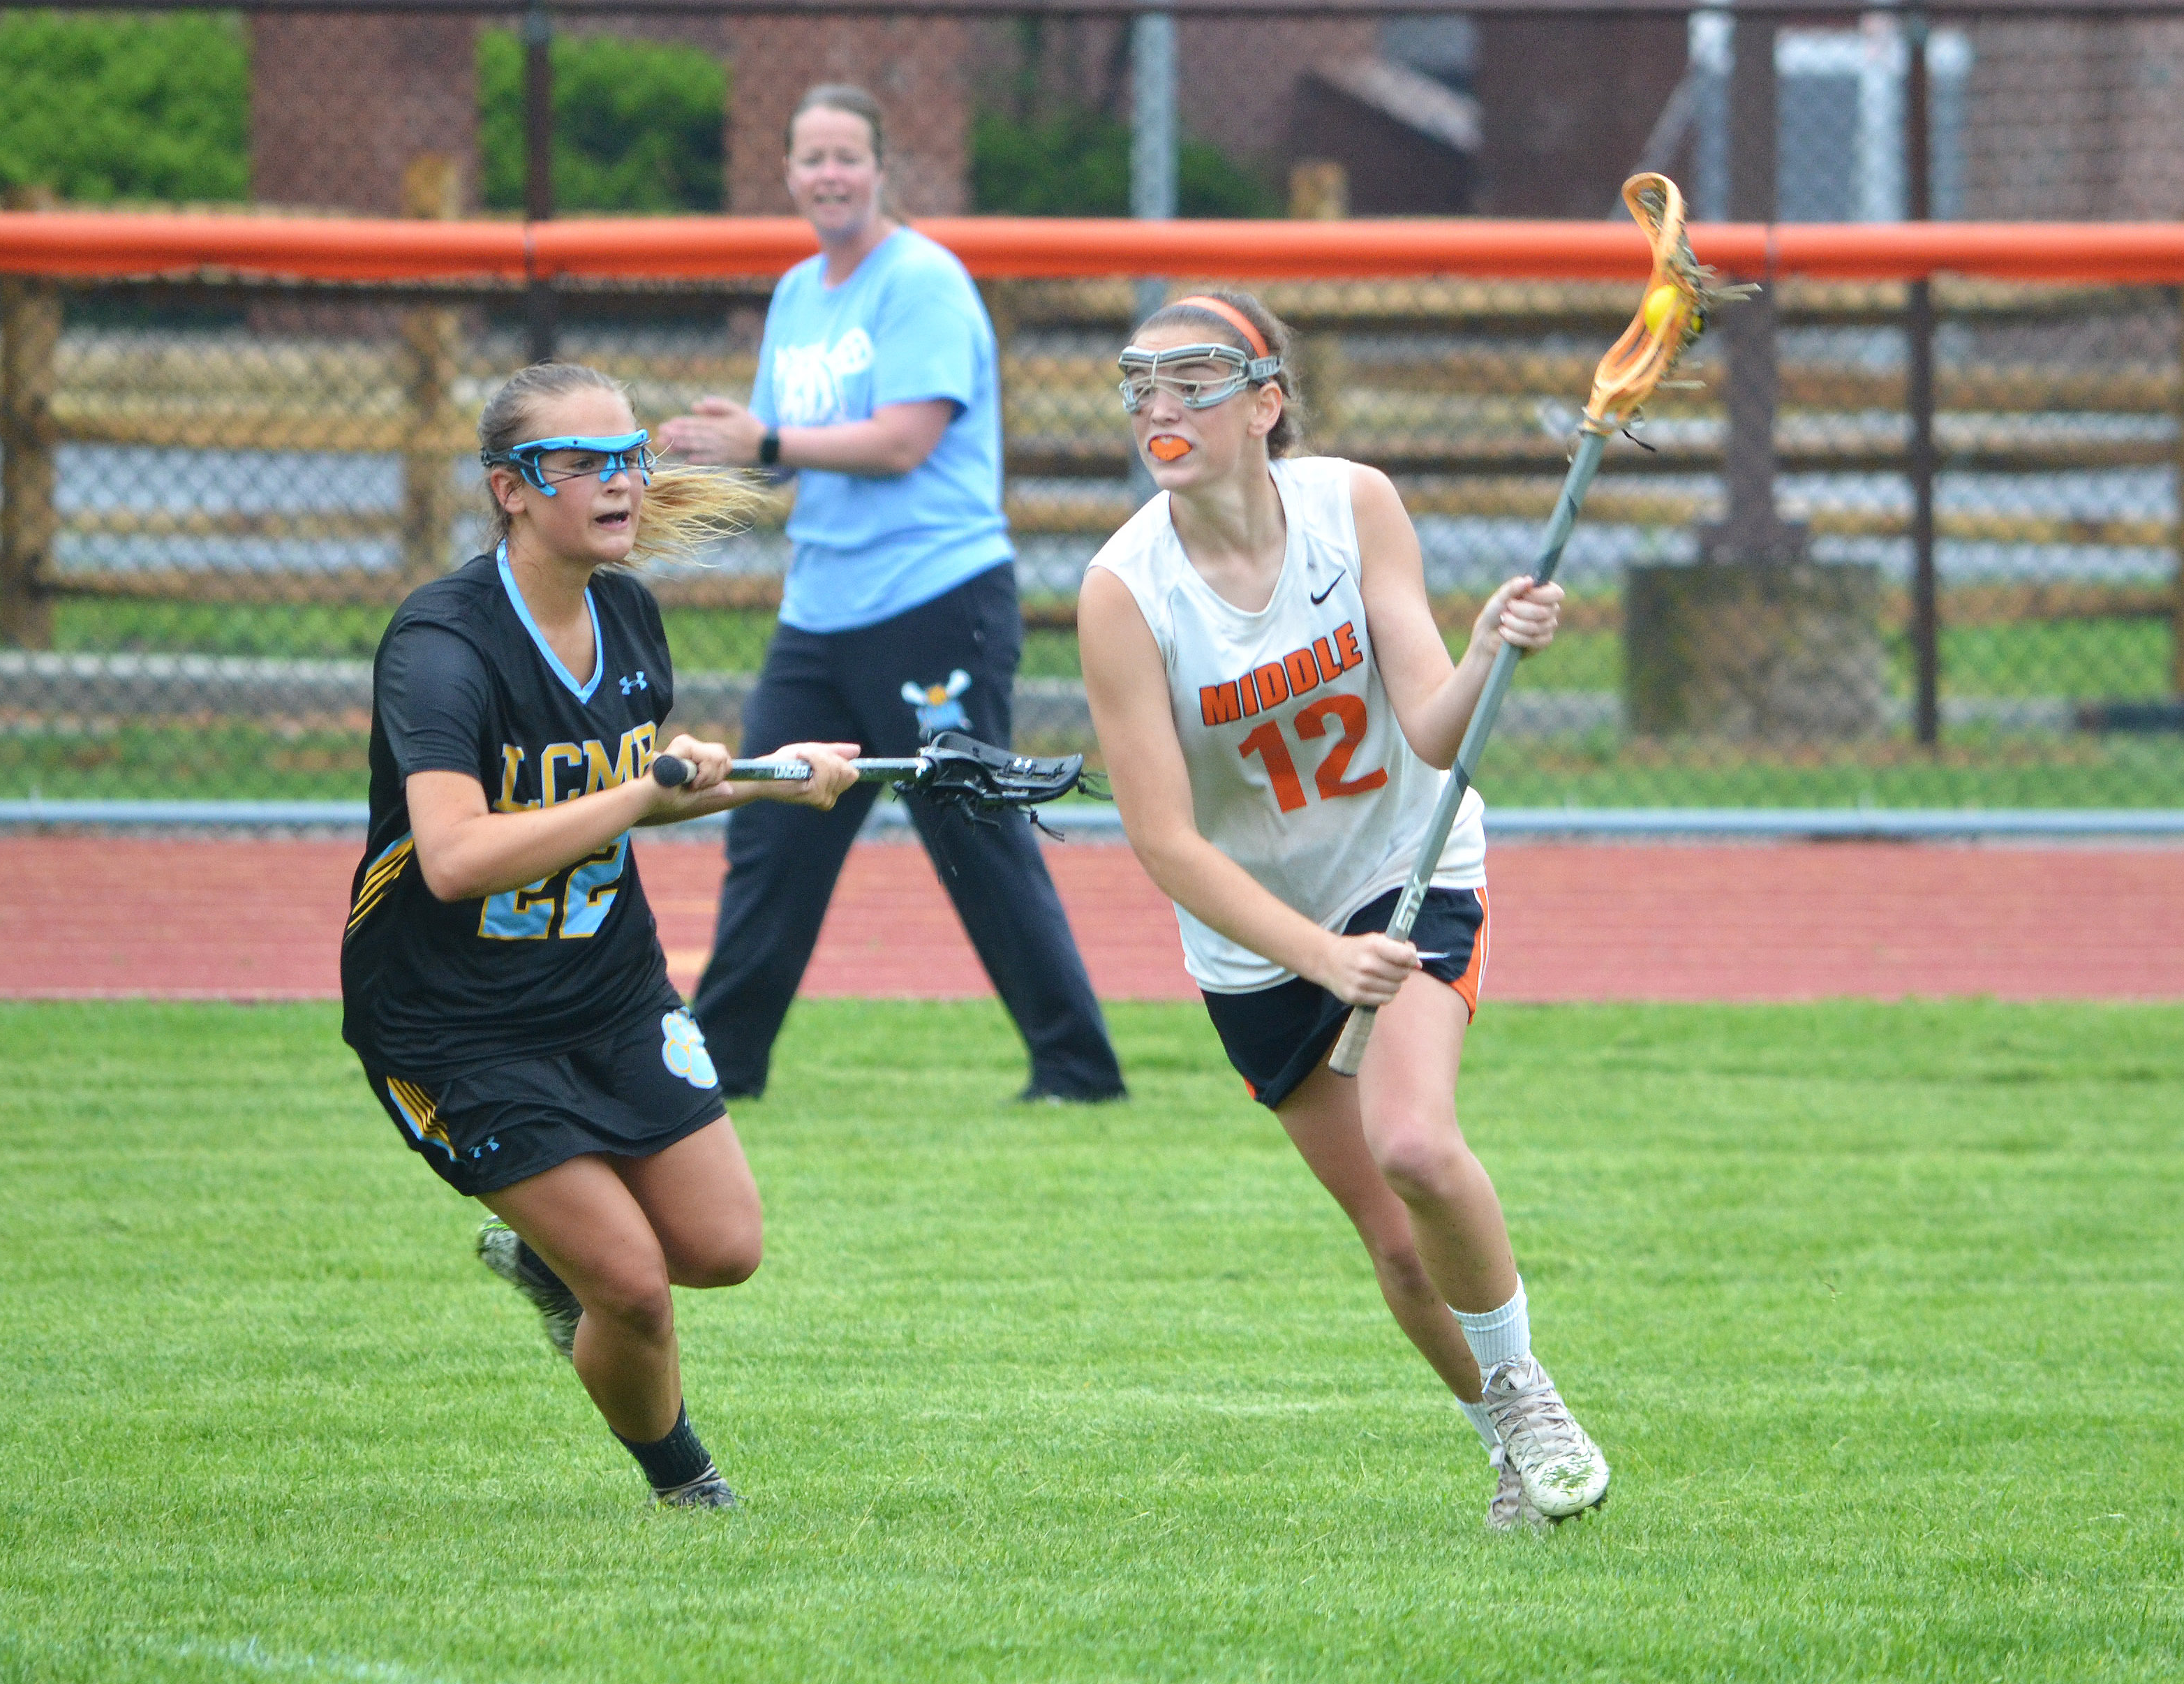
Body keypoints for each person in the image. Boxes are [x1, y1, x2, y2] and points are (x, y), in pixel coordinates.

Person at [1074, 292, 1608, 1531]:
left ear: (1266, 402)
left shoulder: (1350, 502)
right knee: (1399, 1244)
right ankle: (1507, 1452)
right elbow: (1162, 838)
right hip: (1262, 942)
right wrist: (1319, 955)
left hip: (1405, 872)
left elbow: (1433, 726)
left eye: (1195, 381)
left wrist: (1486, 650)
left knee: (1415, 1145)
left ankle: (1526, 1393)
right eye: (1141, 384)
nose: (1162, 407)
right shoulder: (1123, 591)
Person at [341, 360, 861, 1509]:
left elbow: (647, 787)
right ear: (509, 491)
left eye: (627, 456)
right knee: (631, 1288)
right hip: (452, 1023)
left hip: (608, 991)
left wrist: (777, 778)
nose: (619, 482)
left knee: (723, 1249)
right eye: (577, 463)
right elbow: (458, 857)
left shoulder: (626, 608)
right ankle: (685, 1484)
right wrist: (643, 800)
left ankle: (542, 1259)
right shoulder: (441, 642)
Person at [655, 82, 1123, 1105]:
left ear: (880, 170)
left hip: (934, 597)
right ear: (786, 172)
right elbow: (785, 457)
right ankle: (721, 1071)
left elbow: (905, 442)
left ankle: (1077, 1070)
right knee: (771, 827)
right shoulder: (797, 292)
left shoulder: (923, 282)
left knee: (969, 829)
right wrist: (711, 454)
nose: (828, 174)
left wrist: (767, 441)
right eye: (810, 156)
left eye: (847, 156)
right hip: (820, 611)